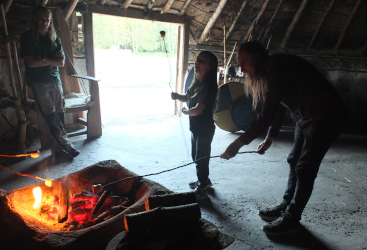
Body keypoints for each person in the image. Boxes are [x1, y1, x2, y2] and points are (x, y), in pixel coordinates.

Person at [220, 41, 348, 236]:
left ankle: (292, 219)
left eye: (245, 61)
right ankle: (287, 206)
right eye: (240, 63)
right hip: (307, 117)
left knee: (305, 168)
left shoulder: (275, 66)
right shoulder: (272, 71)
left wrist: (238, 143)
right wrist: (270, 137)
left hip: (325, 116)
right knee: (293, 161)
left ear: (258, 58)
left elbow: (267, 113)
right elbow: (279, 105)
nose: (242, 68)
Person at [20, 5, 80, 158]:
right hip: (38, 81)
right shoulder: (27, 38)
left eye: (47, 19)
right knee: (50, 114)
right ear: (35, 18)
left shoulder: (54, 38)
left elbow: (60, 63)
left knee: (59, 112)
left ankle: (58, 149)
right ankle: (68, 146)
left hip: (55, 79)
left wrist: (42, 58)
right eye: (41, 18)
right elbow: (31, 63)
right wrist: (52, 59)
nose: (44, 21)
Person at [171, 51, 218, 200]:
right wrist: (177, 96)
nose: (197, 62)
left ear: (210, 67)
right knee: (196, 157)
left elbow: (198, 110)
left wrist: (186, 112)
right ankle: (204, 180)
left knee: (201, 159)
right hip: (196, 127)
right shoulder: (196, 81)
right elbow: (187, 96)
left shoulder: (208, 87)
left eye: (202, 61)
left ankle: (202, 187)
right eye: (198, 60)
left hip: (205, 129)